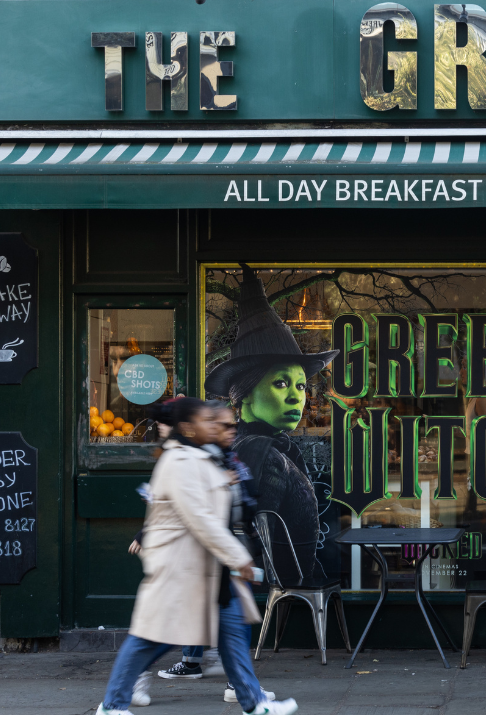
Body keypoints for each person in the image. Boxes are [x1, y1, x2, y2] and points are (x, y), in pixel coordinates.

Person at [96, 397, 297, 715]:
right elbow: (199, 518)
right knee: (150, 641)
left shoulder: (205, 457)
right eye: (208, 421)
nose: (215, 426)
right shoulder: (180, 463)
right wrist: (238, 557)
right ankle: (112, 705)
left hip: (209, 568)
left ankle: (255, 703)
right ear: (188, 427)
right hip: (181, 567)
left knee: (231, 633)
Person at [205, 267, 338, 585]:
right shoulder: (263, 453)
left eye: (302, 386)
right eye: (281, 383)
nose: (297, 396)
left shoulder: (260, 447)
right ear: (245, 396)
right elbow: (259, 531)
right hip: (280, 589)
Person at [155, 402, 277, 705]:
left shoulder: (220, 457)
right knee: (168, 631)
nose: (228, 429)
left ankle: (237, 687)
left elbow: (244, 495)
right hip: (211, 551)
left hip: (227, 549)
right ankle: (122, 693)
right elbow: (188, 511)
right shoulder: (192, 458)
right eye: (221, 424)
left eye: (229, 425)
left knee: (229, 621)